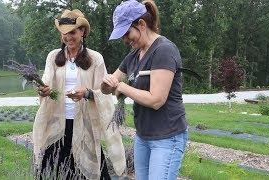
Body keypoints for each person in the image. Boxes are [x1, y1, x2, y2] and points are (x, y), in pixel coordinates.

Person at [33, 9, 126, 180]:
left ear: (82, 32)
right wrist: (43, 89)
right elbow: (46, 80)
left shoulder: (95, 58)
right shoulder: (53, 57)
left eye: (72, 32)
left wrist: (88, 93)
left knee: (90, 169)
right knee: (49, 171)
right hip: (58, 123)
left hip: (84, 122)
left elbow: (104, 92)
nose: (68, 37)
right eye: (64, 34)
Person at [101, 0, 188, 179]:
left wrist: (123, 87)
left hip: (167, 137)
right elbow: (108, 88)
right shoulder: (133, 55)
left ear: (141, 24)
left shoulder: (163, 50)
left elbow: (156, 100)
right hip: (143, 136)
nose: (125, 40)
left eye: (127, 33)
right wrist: (107, 82)